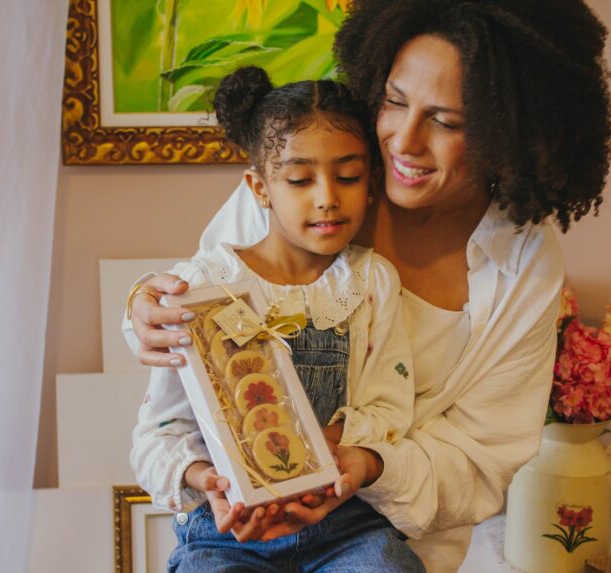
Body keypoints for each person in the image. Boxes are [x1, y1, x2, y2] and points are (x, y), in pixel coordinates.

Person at [124, 1, 611, 570]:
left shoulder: (523, 264)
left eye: (448, 121)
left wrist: (367, 464)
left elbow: (479, 462)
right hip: (236, 528)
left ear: (511, 129)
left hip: (376, 538)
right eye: (395, 102)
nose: (403, 141)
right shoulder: (307, 180)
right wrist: (145, 305)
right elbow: (203, 293)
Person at [131, 66, 425, 572]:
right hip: (227, 533)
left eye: (348, 176)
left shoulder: (372, 283)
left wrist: (332, 445)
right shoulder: (203, 285)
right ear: (260, 187)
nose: (327, 195)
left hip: (344, 524)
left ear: (372, 183)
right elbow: (156, 435)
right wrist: (208, 479)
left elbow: (391, 410)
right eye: (299, 178)